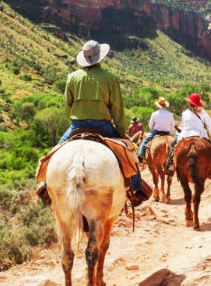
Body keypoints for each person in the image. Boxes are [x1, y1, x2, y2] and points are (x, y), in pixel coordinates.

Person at [37, 40, 146, 202]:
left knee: (54, 153)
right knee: (129, 153)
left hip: (77, 125)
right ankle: (136, 190)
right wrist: (122, 130)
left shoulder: (72, 78)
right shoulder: (110, 78)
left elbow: (67, 106)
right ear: (100, 58)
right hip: (103, 125)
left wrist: (78, 116)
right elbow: (117, 108)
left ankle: (45, 186)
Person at [165, 93, 211, 178]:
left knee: (173, 145)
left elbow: (184, 126)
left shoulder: (185, 113)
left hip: (185, 134)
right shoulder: (203, 112)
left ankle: (170, 164)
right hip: (200, 134)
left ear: (190, 103)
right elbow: (210, 125)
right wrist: (209, 132)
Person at [137, 97, 176, 163]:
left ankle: (140, 156)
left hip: (156, 132)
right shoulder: (170, 114)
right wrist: (171, 133)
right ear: (165, 106)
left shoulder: (154, 114)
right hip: (167, 132)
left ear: (158, 106)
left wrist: (153, 129)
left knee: (145, 140)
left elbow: (150, 125)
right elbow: (172, 126)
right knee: (175, 144)